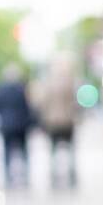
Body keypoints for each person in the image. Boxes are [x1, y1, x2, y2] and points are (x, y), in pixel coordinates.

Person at [35, 52, 80, 189]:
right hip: (68, 121)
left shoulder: (48, 82)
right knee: (71, 151)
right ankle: (71, 177)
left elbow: (42, 102)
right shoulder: (71, 81)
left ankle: (54, 177)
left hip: (52, 122)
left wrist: (42, 119)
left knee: (53, 152)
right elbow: (76, 102)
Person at [0, 63, 36, 189]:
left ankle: (9, 177)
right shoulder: (22, 88)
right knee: (24, 152)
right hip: (21, 125)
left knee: (7, 152)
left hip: (7, 125)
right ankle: (25, 177)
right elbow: (28, 107)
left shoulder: (0, 89)